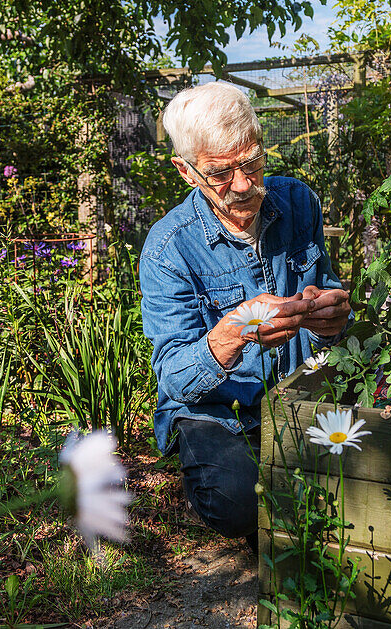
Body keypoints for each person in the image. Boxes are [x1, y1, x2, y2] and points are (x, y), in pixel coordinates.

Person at [139, 81, 352, 543]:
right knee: (239, 502)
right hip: (219, 412)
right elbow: (174, 377)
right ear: (185, 171)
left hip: (298, 392)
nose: (243, 185)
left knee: (366, 467)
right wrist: (236, 330)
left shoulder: (298, 202)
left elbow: (328, 298)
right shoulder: (167, 249)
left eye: (252, 163)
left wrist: (331, 318)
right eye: (220, 173)